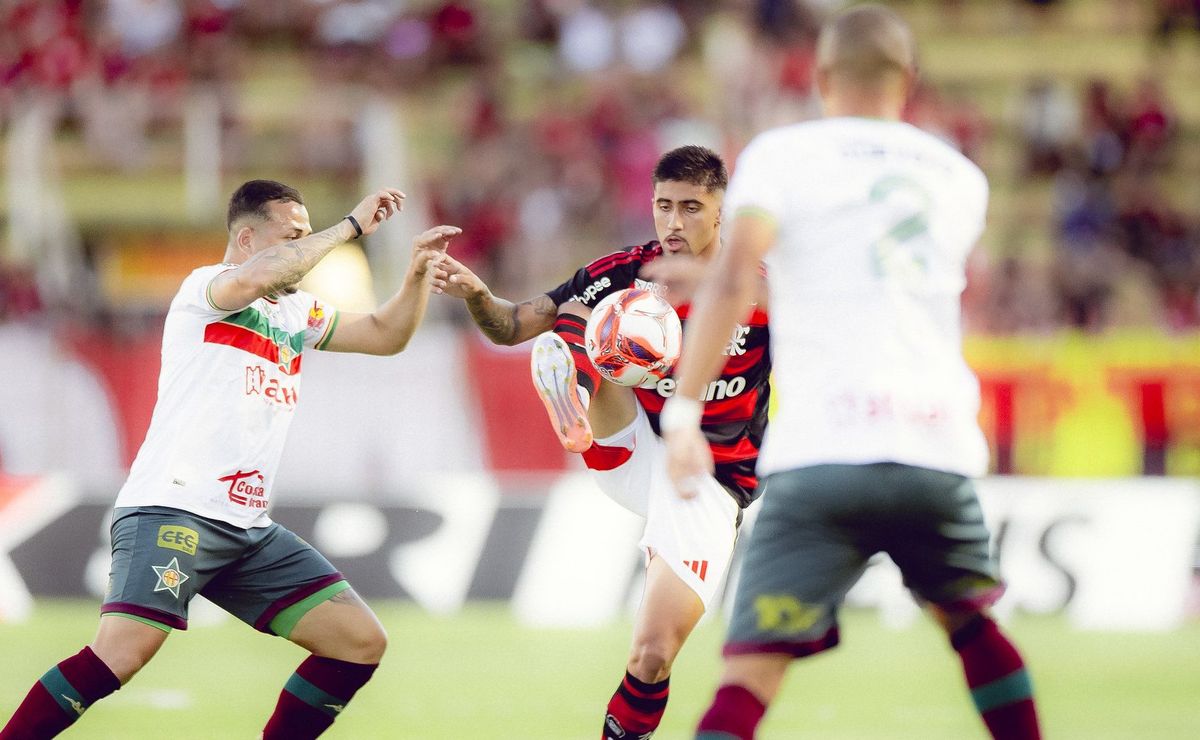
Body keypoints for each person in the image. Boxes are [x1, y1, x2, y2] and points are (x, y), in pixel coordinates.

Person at [660, 5, 1042, 740]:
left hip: (822, 455)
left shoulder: (784, 155)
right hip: (933, 449)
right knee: (973, 628)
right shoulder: (960, 177)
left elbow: (736, 273)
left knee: (749, 675)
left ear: (822, 75)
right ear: (909, 79)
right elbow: (879, 283)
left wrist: (683, 416)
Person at [1, 180, 460, 740]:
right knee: (123, 652)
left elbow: (386, 335)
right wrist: (351, 228)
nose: (307, 243)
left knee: (357, 641)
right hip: (174, 509)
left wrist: (415, 277)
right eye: (293, 234)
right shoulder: (207, 289)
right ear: (247, 238)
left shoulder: (296, 311)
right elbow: (257, 278)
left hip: (246, 527)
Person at [431, 145, 770, 739]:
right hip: (631, 445)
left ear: (723, 212)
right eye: (664, 206)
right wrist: (478, 296)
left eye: (691, 208)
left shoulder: (761, 292)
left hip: (709, 482)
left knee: (652, 653)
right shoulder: (628, 270)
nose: (673, 223)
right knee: (580, 319)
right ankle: (576, 404)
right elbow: (514, 323)